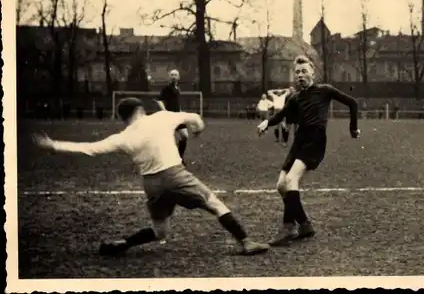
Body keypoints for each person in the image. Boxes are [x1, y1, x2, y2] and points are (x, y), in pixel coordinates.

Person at [32, 97, 271, 257]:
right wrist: (197, 129)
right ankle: (246, 242)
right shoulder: (161, 117)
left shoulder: (123, 137)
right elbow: (196, 119)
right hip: (175, 175)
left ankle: (124, 243)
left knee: (160, 232)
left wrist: (53, 145)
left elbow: (90, 148)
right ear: (141, 111)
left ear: (123, 117)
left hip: (151, 185)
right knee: (215, 204)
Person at [257, 55, 360, 246]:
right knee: (281, 186)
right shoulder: (295, 97)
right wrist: (266, 122)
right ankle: (304, 225)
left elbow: (352, 103)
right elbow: (282, 115)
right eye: (297, 72)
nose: (300, 75)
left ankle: (289, 227)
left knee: (290, 180)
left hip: (315, 140)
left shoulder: (324, 90)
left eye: (304, 71)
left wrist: (353, 128)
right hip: (299, 141)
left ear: (312, 71)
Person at [156, 69, 189, 165]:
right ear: (169, 77)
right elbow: (159, 100)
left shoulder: (178, 89)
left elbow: (177, 103)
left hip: (178, 116)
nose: (174, 76)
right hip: (168, 117)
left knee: (184, 136)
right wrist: (164, 110)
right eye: (172, 75)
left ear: (178, 77)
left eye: (175, 75)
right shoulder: (166, 88)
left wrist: (181, 110)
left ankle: (179, 158)